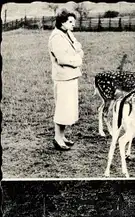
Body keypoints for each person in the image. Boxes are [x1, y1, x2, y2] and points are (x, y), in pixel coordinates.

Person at [48, 8, 84, 151]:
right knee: (62, 108)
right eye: (70, 22)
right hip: (63, 77)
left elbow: (79, 47)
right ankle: (57, 138)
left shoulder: (67, 33)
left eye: (73, 22)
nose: (73, 25)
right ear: (62, 22)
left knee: (67, 108)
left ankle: (62, 136)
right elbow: (62, 59)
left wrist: (78, 53)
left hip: (71, 76)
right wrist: (77, 60)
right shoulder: (56, 37)